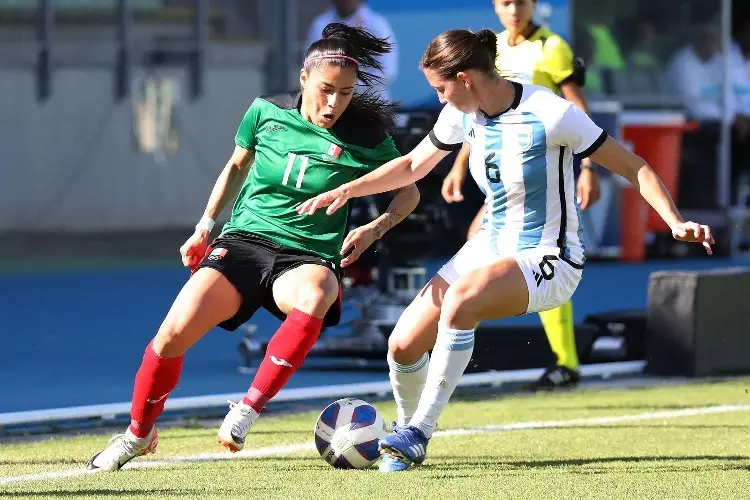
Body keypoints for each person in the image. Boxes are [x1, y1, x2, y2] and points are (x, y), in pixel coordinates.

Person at [297, 29, 713, 473]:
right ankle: (404, 425)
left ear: (465, 79)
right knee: (401, 345)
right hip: (490, 247)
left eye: (441, 89)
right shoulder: (465, 113)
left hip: (550, 259)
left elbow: (635, 165)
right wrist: (349, 192)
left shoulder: (551, 114)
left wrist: (675, 222)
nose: (439, 101)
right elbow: (412, 166)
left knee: (461, 301)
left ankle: (418, 432)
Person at [86, 23, 420, 472]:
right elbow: (236, 166)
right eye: (326, 90)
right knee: (169, 337)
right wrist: (204, 226)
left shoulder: (365, 136)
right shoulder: (265, 111)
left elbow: (409, 191)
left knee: (319, 290)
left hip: (306, 254)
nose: (334, 103)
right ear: (304, 79)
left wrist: (376, 228)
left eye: (345, 93)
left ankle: (248, 407)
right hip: (244, 241)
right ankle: (137, 436)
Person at [442, 0, 600, 390]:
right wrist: (460, 164)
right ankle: (460, 340)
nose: (515, 10)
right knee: (479, 245)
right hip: (497, 167)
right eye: (506, 2)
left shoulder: (552, 48)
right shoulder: (489, 48)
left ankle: (566, 360)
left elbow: (576, 107)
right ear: (496, 6)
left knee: (544, 253)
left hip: (538, 168)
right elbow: (480, 112)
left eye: (522, 2)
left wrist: (590, 168)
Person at [307, 0, 398, 100]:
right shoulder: (320, 24)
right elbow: (312, 65)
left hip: (372, 102)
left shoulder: (377, 24)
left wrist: (350, 84)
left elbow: (388, 71)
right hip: (330, 102)